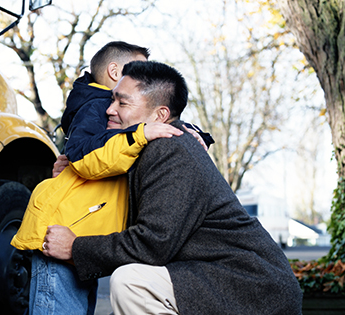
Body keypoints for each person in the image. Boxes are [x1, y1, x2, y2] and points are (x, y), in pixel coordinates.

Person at [43, 60, 302, 314]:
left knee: (131, 284)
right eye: (111, 100)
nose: (109, 110)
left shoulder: (170, 149)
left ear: (160, 115)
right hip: (209, 279)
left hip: (249, 286)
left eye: (122, 102)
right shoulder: (139, 151)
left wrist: (75, 247)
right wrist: (73, 174)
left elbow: (152, 244)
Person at [12, 42, 212, 315]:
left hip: (82, 233)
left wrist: (187, 129)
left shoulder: (112, 110)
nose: (114, 110)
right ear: (115, 72)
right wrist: (141, 133)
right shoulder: (96, 105)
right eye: (136, 68)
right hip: (64, 229)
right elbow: (86, 155)